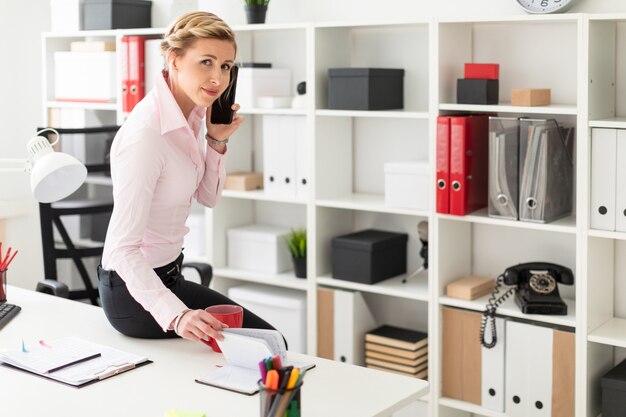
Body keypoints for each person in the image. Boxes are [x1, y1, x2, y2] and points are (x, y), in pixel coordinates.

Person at [98, 11, 279, 344]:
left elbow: (208, 198)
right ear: (174, 60)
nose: (218, 79)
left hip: (170, 278)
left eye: (226, 66)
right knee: (260, 345)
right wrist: (177, 315)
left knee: (268, 342)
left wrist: (216, 141)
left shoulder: (192, 115)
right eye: (206, 62)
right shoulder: (147, 136)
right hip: (134, 296)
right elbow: (122, 249)